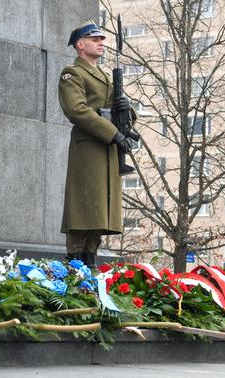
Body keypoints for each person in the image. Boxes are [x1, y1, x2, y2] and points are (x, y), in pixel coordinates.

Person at [58, 21, 134, 267]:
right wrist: (113, 133)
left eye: (102, 39)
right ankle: (74, 264)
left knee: (100, 212)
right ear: (81, 45)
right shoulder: (73, 73)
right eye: (95, 39)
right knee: (84, 209)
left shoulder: (103, 75)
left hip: (107, 150)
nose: (101, 43)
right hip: (89, 149)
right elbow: (77, 110)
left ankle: (89, 261)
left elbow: (116, 108)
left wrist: (127, 109)